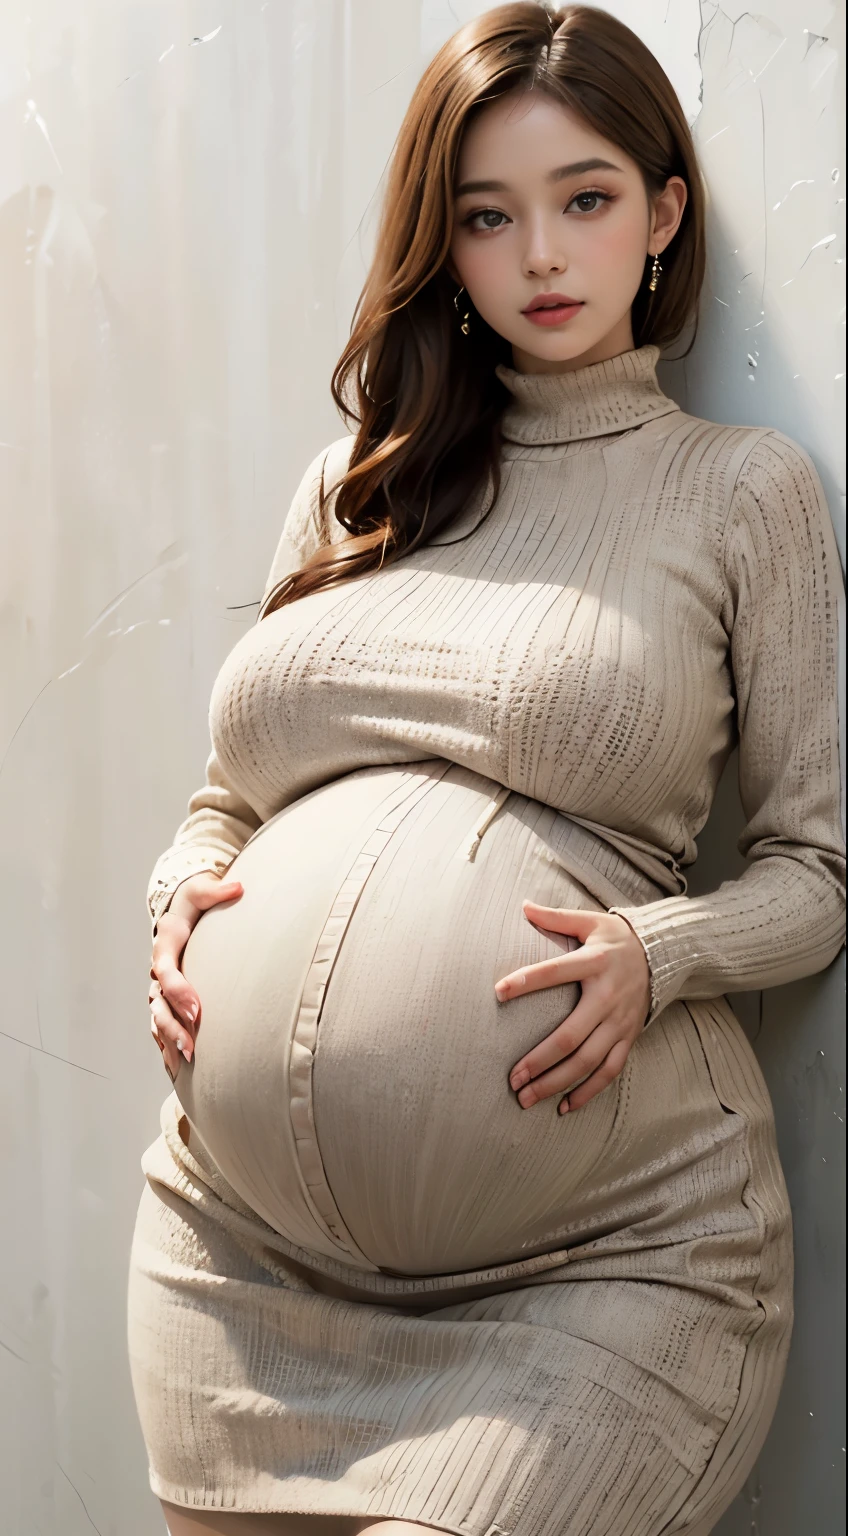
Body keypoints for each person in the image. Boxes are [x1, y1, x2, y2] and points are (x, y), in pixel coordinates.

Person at [127, 5, 846, 1535]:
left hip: (595, 1263)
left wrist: (662, 951)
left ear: (662, 214)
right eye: (487, 216)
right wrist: (182, 891)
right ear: (441, 246)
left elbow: (819, 875)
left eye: (586, 200)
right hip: (238, 1256)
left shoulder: (738, 491)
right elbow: (224, 796)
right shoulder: (358, 482)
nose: (540, 257)